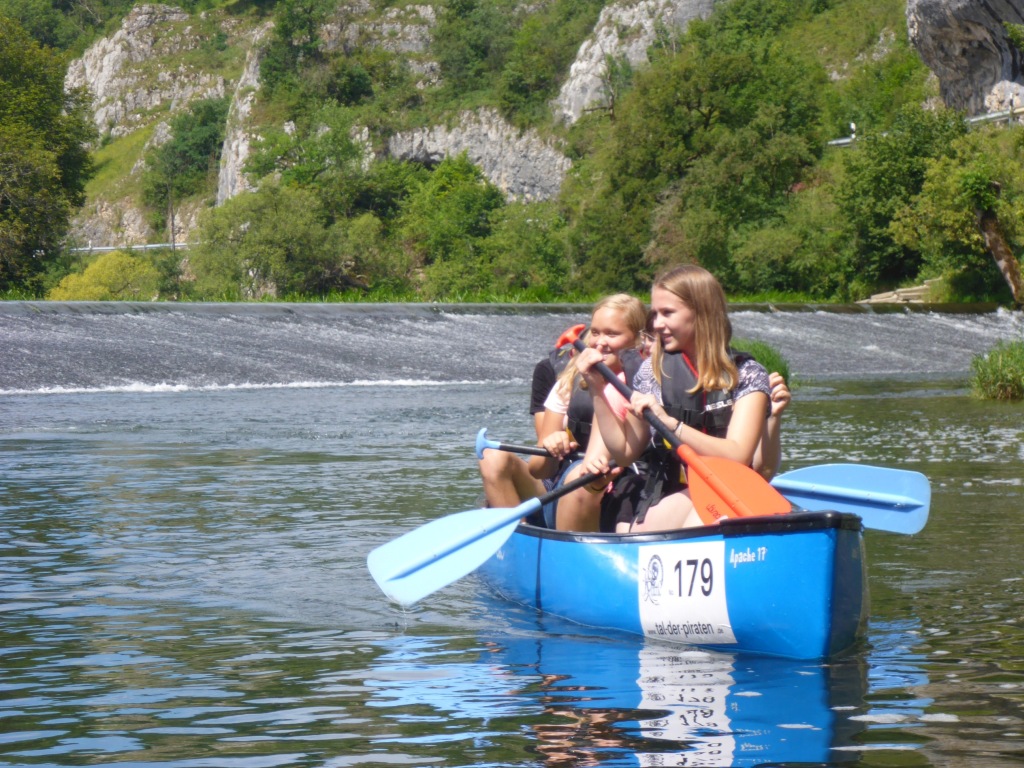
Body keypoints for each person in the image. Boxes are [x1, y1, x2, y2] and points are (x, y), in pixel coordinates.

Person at [576, 265, 773, 533]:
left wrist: (671, 425)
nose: (657, 324)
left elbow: (737, 455)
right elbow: (624, 454)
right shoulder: (652, 372)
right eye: (655, 314)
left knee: (701, 525)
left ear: (701, 312)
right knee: (638, 534)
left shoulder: (748, 374)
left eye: (667, 313)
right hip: (677, 489)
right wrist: (597, 390)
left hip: (732, 490)